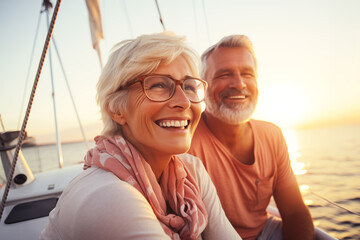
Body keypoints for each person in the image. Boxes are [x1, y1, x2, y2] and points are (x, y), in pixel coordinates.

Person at [40, 33, 242, 240]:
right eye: (159, 85)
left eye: (189, 87)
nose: (184, 102)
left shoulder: (191, 172)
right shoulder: (109, 196)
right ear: (117, 109)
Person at [188, 34, 315, 240]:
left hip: (266, 233)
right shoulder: (187, 141)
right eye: (224, 74)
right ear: (202, 86)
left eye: (247, 74)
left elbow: (294, 212)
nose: (239, 84)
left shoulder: (272, 135)